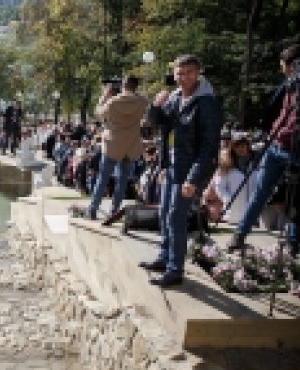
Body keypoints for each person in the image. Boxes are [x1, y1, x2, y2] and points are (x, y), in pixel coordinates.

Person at [140, 54, 223, 287]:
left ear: (198, 73)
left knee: (176, 217)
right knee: (165, 214)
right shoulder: (175, 98)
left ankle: (175, 269)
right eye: (179, 73)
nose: (183, 77)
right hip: (173, 167)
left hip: (189, 171)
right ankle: (164, 257)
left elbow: (209, 147)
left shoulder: (206, 103)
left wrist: (193, 179)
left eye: (188, 72)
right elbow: (157, 124)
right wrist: (155, 105)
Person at [228, 44, 300, 254]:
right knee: (265, 194)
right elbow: (276, 109)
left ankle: (291, 244)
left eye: (283, 65)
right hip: (278, 144)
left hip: (292, 148)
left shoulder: (293, 82)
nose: (283, 69)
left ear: (290, 64)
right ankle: (240, 236)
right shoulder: (290, 83)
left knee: (293, 199)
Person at [86, 75, 149, 220]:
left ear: (122, 86)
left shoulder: (113, 101)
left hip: (112, 144)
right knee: (122, 180)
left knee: (103, 178)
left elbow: (98, 114)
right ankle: (114, 211)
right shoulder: (141, 101)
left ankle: (93, 209)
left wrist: (104, 95)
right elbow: (144, 102)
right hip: (130, 145)